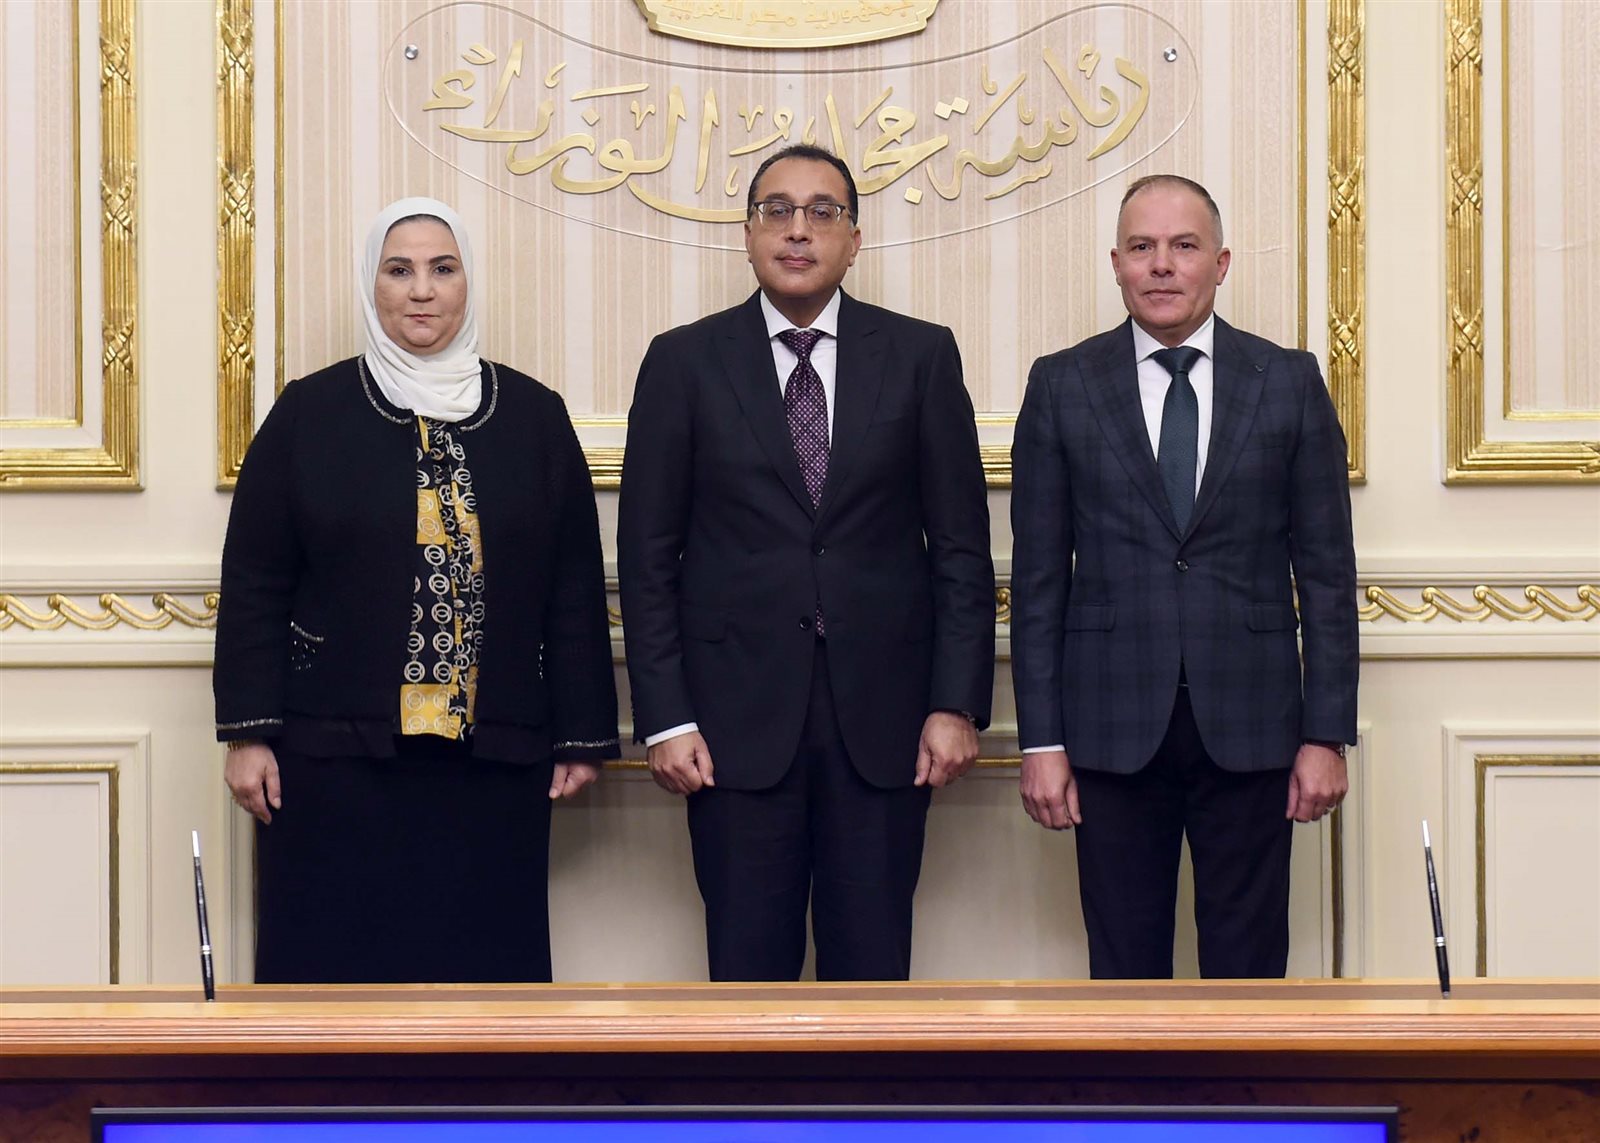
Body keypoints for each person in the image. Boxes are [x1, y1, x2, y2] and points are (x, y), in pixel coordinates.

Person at [214, 197, 619, 984]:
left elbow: (572, 585)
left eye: (443, 268)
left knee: (480, 986)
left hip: (493, 760)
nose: (422, 290)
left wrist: (582, 732)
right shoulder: (310, 413)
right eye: (399, 270)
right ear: (372, 286)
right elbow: (256, 579)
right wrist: (249, 733)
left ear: (469, 283)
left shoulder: (534, 418)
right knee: (331, 980)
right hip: (334, 759)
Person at [617, 144, 995, 982]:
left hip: (887, 723)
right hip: (730, 726)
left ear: (854, 239)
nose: (798, 230)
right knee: (747, 977)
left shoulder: (921, 355)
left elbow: (961, 550)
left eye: (823, 212)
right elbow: (646, 557)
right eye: (777, 211)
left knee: (874, 976)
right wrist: (666, 718)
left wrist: (955, 702)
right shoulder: (683, 361)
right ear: (748, 234)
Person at [1009, 175, 1357, 979]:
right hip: (1109, 732)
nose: (1161, 265)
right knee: (1124, 975)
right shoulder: (1062, 384)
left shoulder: (1288, 381)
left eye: (1184, 246)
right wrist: (1042, 741)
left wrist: (1325, 734)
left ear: (1221, 263)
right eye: (1142, 247)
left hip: (1255, 727)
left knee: (1249, 973)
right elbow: (1037, 584)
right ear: (1117, 264)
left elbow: (1328, 577)